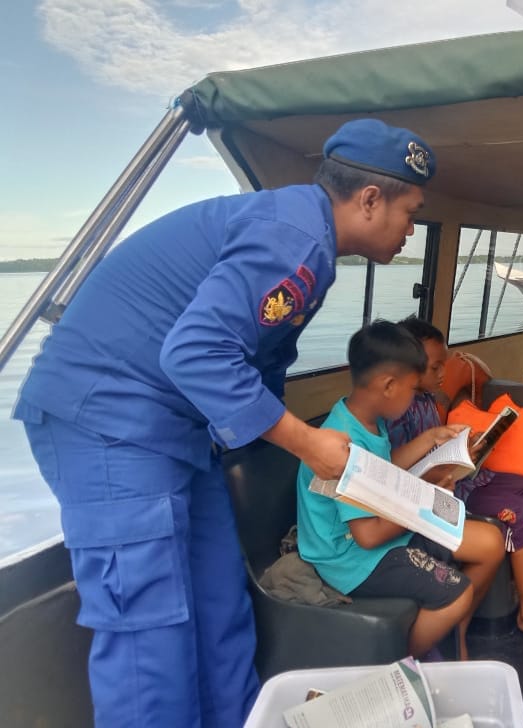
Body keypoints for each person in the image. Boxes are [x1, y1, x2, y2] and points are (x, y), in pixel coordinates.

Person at [13, 118, 436, 727]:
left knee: (220, 605)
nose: (411, 230)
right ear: (370, 200)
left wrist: (317, 453)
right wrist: (307, 443)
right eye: (411, 212)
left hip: (177, 431)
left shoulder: (308, 245)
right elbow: (194, 352)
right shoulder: (293, 238)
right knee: (149, 632)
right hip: (107, 418)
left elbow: (258, 364)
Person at [296, 321, 505, 661]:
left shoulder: (363, 419)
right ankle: (398, 660)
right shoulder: (342, 445)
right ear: (389, 386)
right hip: (354, 560)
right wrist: (423, 495)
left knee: (491, 543)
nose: (414, 397)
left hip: (384, 526)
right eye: (411, 389)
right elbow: (368, 536)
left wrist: (428, 441)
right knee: (458, 595)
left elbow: (382, 470)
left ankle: (454, 637)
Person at [389, 316, 523, 650]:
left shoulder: (427, 401)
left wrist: (469, 446)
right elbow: (402, 469)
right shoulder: (395, 412)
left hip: (466, 478)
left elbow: (432, 449)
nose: (442, 374)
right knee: (521, 510)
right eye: (436, 367)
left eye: (444, 366)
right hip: (445, 492)